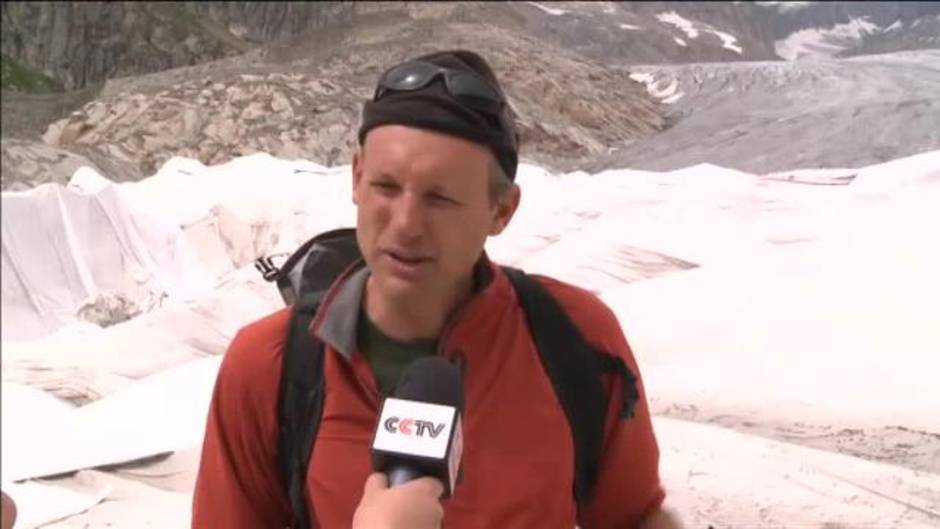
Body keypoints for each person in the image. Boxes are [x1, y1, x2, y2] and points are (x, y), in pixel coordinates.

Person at [192, 49, 681, 529]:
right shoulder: (269, 366)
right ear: (357, 177)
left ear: (502, 211)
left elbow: (634, 518)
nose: (405, 225)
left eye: (440, 198)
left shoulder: (576, 339)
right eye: (386, 186)